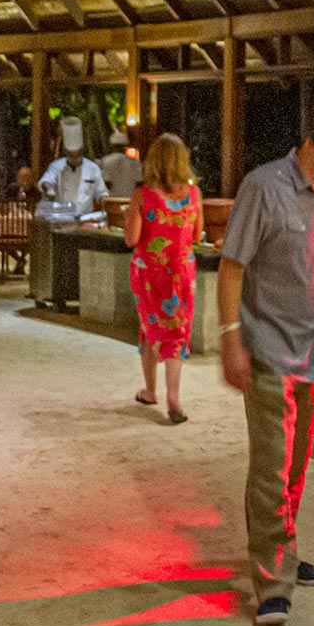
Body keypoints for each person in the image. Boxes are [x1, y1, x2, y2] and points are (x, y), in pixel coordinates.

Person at [218, 90, 314, 626]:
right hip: (269, 353)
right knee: (270, 469)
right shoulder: (264, 187)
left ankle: (285, 548)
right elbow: (232, 266)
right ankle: (271, 581)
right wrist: (230, 339)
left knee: (296, 468)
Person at [126, 133, 203, 425]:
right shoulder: (194, 195)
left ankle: (158, 393)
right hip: (182, 272)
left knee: (150, 324)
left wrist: (130, 215)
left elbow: (131, 238)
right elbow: (196, 235)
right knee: (177, 330)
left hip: (149, 274)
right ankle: (163, 393)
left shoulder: (143, 195)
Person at [38, 117, 107, 213]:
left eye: (77, 154)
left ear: (82, 151)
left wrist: (104, 203)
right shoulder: (56, 166)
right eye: (71, 155)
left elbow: (102, 193)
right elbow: (46, 181)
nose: (74, 158)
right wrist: (49, 189)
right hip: (62, 218)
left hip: (85, 220)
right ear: (65, 152)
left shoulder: (93, 168)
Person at [99, 128, 142, 199]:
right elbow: (139, 183)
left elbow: (107, 183)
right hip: (130, 200)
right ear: (125, 146)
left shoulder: (106, 161)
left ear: (112, 146)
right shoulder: (135, 162)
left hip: (113, 201)